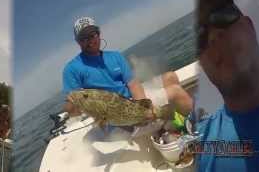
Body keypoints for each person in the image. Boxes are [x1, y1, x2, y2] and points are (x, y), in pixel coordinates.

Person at [62, 17, 193, 129]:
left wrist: (143, 109)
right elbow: (72, 106)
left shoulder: (115, 56)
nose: (90, 40)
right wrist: (72, 108)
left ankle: (175, 119)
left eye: (92, 35)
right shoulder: (72, 69)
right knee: (175, 91)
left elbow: (133, 84)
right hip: (115, 116)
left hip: (130, 102)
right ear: (78, 42)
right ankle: (203, 127)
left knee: (170, 76)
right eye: (83, 38)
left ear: (98, 34)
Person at [193, 0, 259, 171]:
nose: (214, 36)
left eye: (223, 14)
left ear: (249, 26)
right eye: (200, 36)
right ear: (202, 64)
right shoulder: (204, 145)